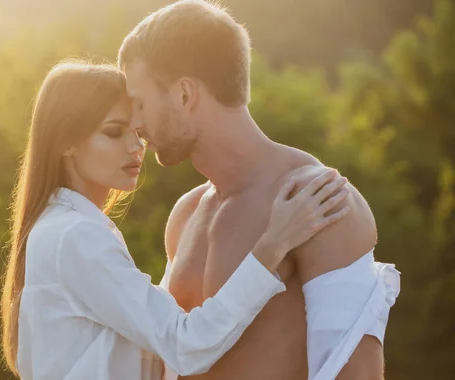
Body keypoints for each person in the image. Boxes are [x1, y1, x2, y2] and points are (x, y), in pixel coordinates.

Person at [0, 61, 351, 380]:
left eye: (136, 131)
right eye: (112, 131)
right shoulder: (73, 236)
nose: (135, 147)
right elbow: (185, 347)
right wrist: (272, 246)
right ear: (66, 143)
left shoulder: (60, 229)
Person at [117, 1, 401, 379]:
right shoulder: (185, 217)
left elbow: (356, 374)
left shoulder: (321, 202)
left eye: (140, 102)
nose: (134, 122)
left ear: (184, 94)